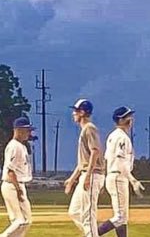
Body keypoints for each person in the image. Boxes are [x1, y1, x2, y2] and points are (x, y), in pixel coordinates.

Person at [98, 106, 143, 237]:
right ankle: (91, 234)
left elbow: (106, 160)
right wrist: (133, 180)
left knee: (122, 218)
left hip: (114, 176)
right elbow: (121, 162)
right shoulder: (122, 137)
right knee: (120, 217)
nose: (131, 119)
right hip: (118, 176)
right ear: (120, 120)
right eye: (128, 117)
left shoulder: (112, 136)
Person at [65, 98, 105, 237]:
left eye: (76, 111)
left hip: (93, 174)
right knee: (74, 211)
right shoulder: (85, 129)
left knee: (88, 214)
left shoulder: (89, 128)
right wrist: (72, 180)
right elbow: (83, 162)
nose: (73, 114)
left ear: (82, 112)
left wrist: (88, 176)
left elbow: (95, 152)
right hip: (87, 174)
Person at [0, 117, 36, 237]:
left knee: (27, 221)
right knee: (19, 221)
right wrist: (18, 189)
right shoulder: (14, 146)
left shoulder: (22, 146)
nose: (29, 133)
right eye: (27, 130)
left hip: (18, 184)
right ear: (18, 130)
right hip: (12, 185)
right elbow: (10, 171)